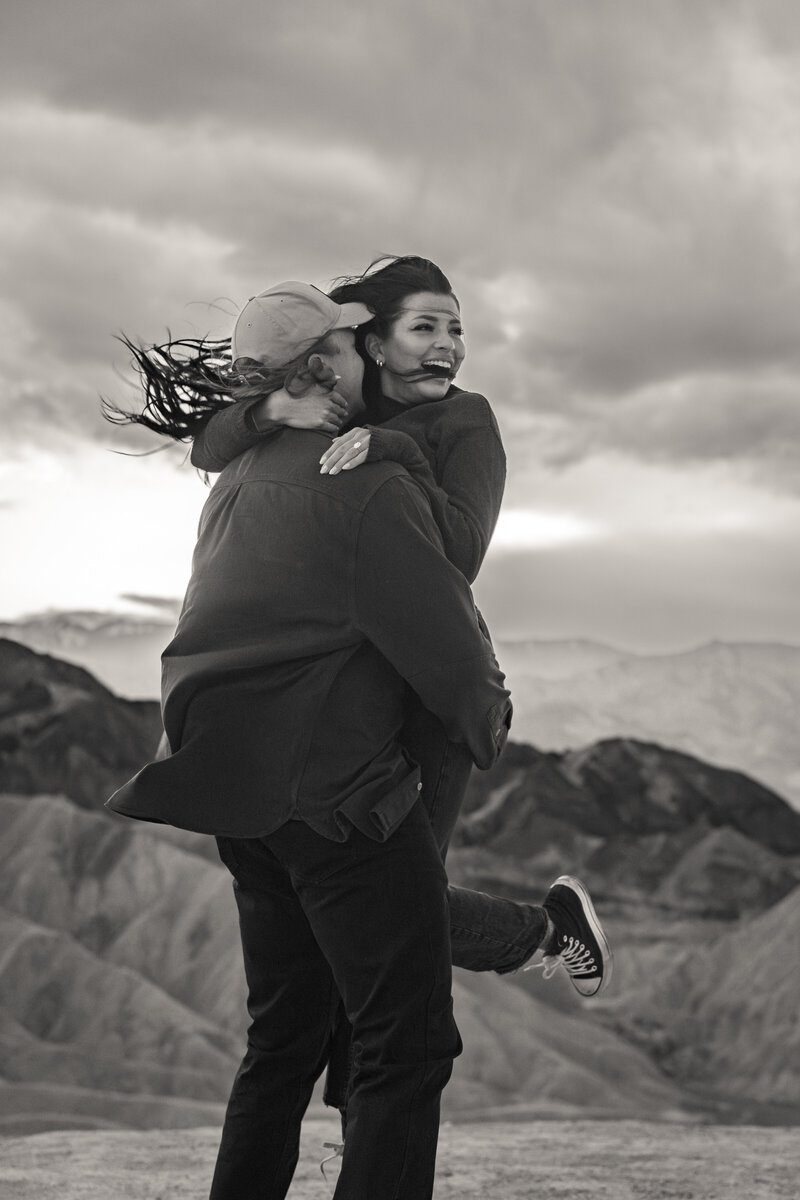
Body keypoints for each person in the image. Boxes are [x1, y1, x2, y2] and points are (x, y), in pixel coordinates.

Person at [187, 257, 613, 1119]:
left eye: (456, 328)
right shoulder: (342, 402)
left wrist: (392, 452)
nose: (448, 345)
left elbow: (457, 551)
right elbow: (209, 441)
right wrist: (274, 406)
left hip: (429, 702)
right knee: (369, 925)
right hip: (354, 700)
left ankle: (536, 944)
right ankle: (379, 1109)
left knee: (397, 919)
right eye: (425, 326)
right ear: (372, 344)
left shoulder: (466, 422)